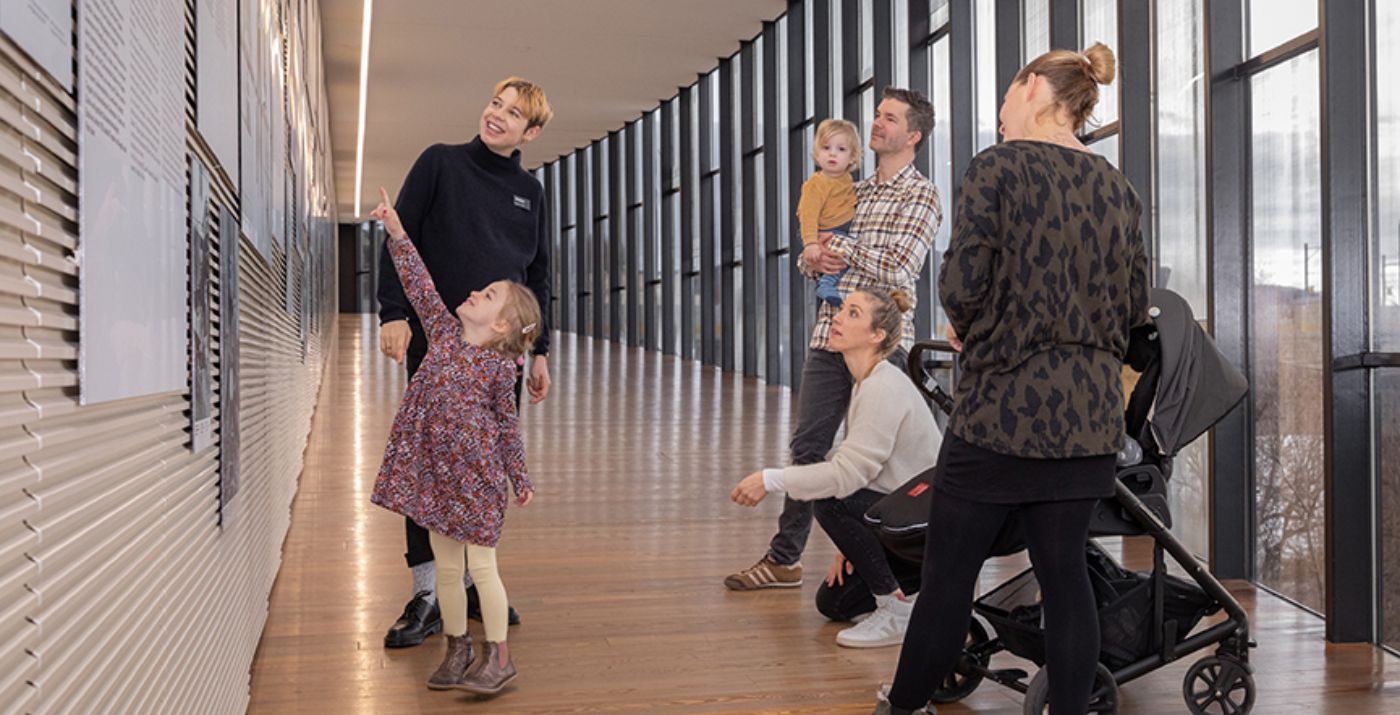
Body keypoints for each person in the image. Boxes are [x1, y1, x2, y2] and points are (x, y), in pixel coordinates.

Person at [874, 43, 1150, 715]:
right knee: (1066, 579)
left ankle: (904, 706)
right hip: (1087, 418)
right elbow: (1134, 302)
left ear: (1033, 90)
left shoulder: (998, 168)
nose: (999, 114)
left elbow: (963, 282)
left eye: (1004, 97)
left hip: (1003, 409)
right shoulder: (1117, 184)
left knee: (947, 579)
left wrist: (969, 323)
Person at [725, 87, 942, 592]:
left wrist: (839, 245)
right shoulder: (853, 190)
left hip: (887, 343)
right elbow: (815, 253)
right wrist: (812, 257)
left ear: (912, 135)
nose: (877, 123)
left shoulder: (921, 195)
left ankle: (899, 555)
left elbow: (899, 266)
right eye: (877, 115)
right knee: (809, 446)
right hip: (832, 334)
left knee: (885, 457)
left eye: (889, 118)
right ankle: (785, 559)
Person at [378, 77, 552, 648]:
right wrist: (392, 312)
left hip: (501, 356)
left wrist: (541, 352)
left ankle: (476, 580)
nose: (496, 116)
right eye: (494, 104)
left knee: (478, 471)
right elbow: (401, 242)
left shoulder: (532, 192)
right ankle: (427, 592)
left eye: (513, 113)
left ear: (531, 131)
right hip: (438, 344)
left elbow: (539, 277)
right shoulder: (441, 164)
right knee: (428, 468)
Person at [370, 188, 539, 695]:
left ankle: (498, 657)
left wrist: (520, 479)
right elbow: (419, 284)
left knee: (482, 568)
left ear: (502, 325)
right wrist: (397, 232)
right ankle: (456, 646)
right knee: (447, 568)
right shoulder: (443, 335)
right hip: (438, 479)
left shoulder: (496, 367)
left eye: (488, 296)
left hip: (478, 483)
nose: (474, 293)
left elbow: (508, 428)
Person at [732, 288, 941, 648]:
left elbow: (846, 477)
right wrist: (852, 541)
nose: (838, 317)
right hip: (899, 518)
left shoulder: (883, 387)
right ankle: (922, 590)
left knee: (830, 501)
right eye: (842, 309)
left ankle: (896, 611)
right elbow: (857, 463)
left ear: (877, 336)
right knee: (833, 603)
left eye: (853, 313)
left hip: (923, 524)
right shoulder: (866, 382)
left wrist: (769, 479)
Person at [797, 119, 860, 307]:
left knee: (846, 253)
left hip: (841, 228)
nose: (832, 153)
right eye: (826, 148)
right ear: (817, 154)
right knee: (842, 256)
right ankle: (826, 284)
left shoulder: (847, 180)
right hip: (824, 230)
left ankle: (828, 282)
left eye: (841, 149)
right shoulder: (816, 184)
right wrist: (811, 243)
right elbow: (807, 215)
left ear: (852, 157)